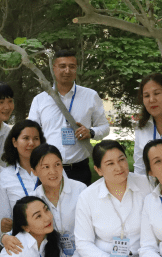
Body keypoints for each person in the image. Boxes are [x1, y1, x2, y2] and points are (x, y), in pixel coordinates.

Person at [27, 47, 110, 186]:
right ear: (54, 68)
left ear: (76, 69)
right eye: (62, 66)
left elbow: (105, 127)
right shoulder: (40, 100)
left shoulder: (90, 96)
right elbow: (31, 133)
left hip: (79, 169)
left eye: (72, 66)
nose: (67, 71)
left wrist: (90, 132)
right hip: (47, 168)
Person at [0, 119, 44, 221]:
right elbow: (4, 218)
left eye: (36, 138)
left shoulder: (52, 168)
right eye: (26, 138)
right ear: (14, 142)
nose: (31, 143)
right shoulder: (5, 176)